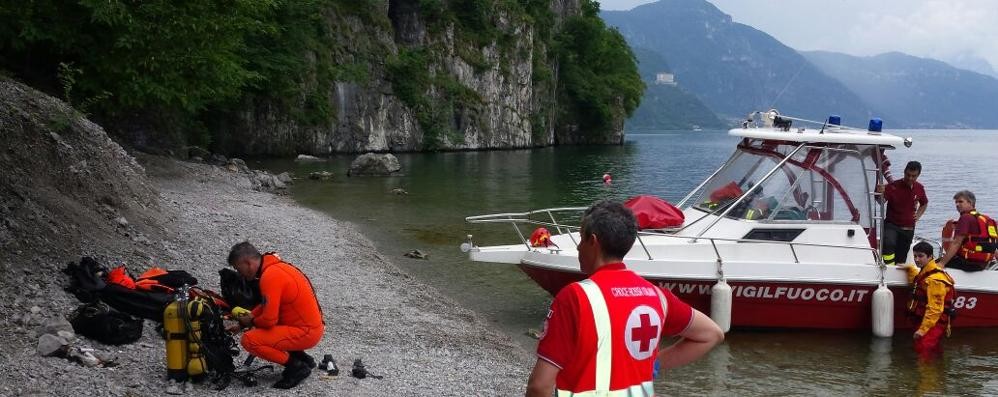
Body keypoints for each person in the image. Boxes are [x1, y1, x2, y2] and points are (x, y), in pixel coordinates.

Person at [525, 201, 724, 397]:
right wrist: (654, 363)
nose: (578, 247)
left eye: (581, 239)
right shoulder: (657, 295)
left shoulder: (575, 297)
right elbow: (711, 334)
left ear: (593, 241)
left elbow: (540, 386)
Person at [227, 242, 325, 389]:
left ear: (247, 263)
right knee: (269, 325)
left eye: (237, 267)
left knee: (250, 340)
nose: (238, 273)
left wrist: (251, 321)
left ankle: (296, 367)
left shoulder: (270, 277)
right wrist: (242, 324)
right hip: (310, 327)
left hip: (307, 333)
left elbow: (268, 321)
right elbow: (266, 305)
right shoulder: (277, 268)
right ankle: (303, 358)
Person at [902, 242, 955, 360]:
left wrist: (922, 330)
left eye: (920, 256)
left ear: (930, 256)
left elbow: (935, 309)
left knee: (924, 350)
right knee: (931, 350)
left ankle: (928, 377)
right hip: (924, 319)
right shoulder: (925, 272)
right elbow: (919, 282)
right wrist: (910, 269)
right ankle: (937, 370)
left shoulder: (936, 279)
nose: (916, 259)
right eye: (915, 256)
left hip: (934, 323)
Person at [876, 161, 928, 266]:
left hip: (908, 228)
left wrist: (918, 215)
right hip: (892, 225)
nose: (910, 178)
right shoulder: (892, 186)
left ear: (918, 175)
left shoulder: (919, 188)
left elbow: (924, 203)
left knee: (901, 257)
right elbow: (880, 202)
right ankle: (889, 267)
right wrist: (879, 192)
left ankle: (895, 272)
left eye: (913, 176)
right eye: (908, 175)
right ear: (904, 172)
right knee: (888, 243)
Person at [937, 190, 998, 272]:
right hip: (983, 263)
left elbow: (956, 243)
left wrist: (941, 263)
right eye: (956, 202)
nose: (957, 205)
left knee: (931, 264)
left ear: (970, 203)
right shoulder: (986, 219)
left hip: (969, 263)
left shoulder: (965, 218)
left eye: (960, 202)